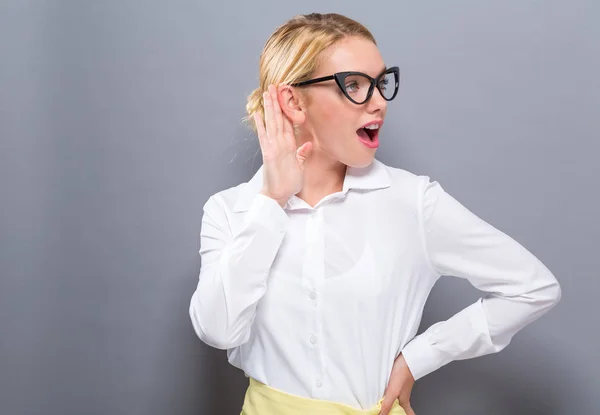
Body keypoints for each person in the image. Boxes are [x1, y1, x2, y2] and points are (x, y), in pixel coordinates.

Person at [189, 12, 562, 415]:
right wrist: (272, 201)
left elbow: (534, 287)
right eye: (354, 85)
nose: (379, 102)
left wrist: (421, 355)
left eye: (380, 83)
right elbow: (219, 331)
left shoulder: (412, 202)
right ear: (293, 101)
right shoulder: (231, 210)